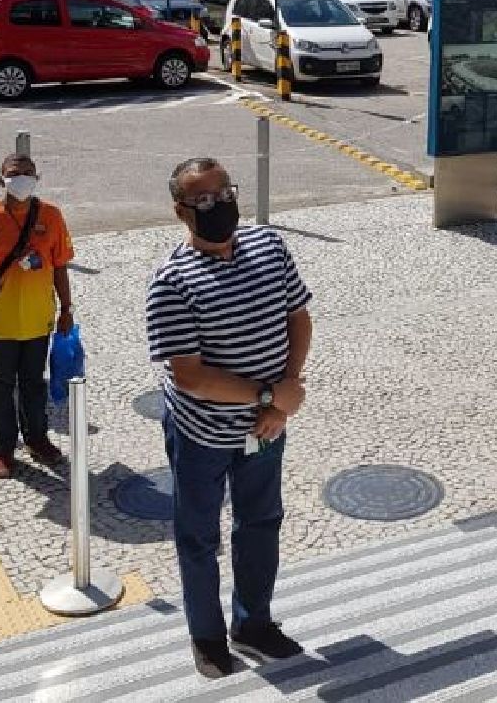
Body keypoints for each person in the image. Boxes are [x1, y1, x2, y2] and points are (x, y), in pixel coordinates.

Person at [146, 157, 313, 680]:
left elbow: (298, 317)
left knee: (262, 523)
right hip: (202, 434)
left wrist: (282, 396)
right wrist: (270, 396)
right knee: (198, 536)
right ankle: (207, 635)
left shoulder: (269, 246)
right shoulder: (171, 282)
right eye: (203, 200)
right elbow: (192, 376)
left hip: (265, 428)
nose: (219, 206)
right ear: (181, 211)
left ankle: (253, 623)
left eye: (224, 193)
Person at [0, 152, 75, 479]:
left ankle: (37, 439)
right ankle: (2, 449)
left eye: (27, 172)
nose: (21, 178)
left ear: (37, 178)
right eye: (14, 173)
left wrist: (66, 308)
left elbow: (61, 265)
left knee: (33, 384)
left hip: (38, 319)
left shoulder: (51, 215)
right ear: (1, 180)